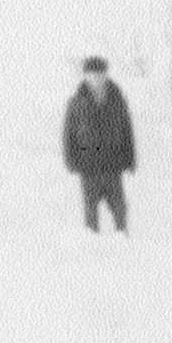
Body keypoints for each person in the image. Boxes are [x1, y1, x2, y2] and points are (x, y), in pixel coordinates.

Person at [63, 56, 137, 234]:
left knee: (120, 212)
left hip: (113, 165)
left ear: (106, 75)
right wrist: (72, 161)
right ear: (86, 76)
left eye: (100, 74)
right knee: (91, 219)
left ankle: (124, 249)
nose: (96, 78)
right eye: (92, 74)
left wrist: (130, 159)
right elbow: (69, 135)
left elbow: (127, 131)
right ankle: (93, 254)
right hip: (89, 167)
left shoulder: (117, 100)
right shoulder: (76, 103)